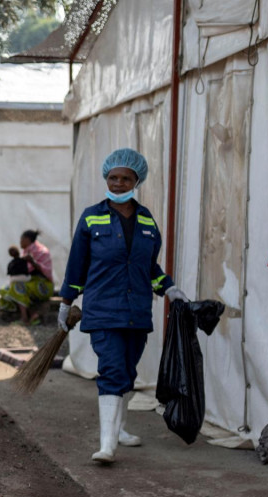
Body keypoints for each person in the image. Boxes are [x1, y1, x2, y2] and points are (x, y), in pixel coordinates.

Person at [58, 148, 189, 464]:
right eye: (113, 177)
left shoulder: (146, 220)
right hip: (103, 310)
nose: (118, 183)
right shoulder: (92, 216)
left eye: (125, 178)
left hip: (137, 311)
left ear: (136, 180)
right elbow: (78, 264)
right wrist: (65, 301)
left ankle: (120, 429)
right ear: (107, 178)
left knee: (127, 371)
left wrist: (169, 287)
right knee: (113, 369)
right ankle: (107, 445)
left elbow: (148, 266)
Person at [0, 229, 54, 325]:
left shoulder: (41, 252)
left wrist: (32, 261)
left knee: (17, 286)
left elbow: (44, 271)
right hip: (31, 282)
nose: (20, 242)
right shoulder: (26, 251)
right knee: (5, 289)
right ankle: (33, 314)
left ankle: (24, 318)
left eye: (21, 240)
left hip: (44, 285)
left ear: (27, 239)